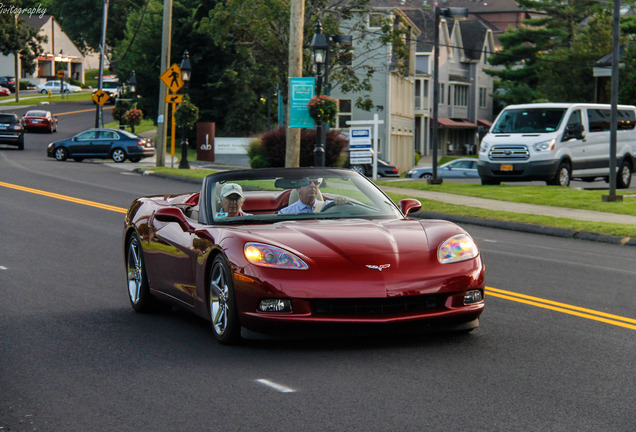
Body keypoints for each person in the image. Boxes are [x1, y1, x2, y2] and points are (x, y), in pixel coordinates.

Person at [278, 177, 345, 214]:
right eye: (307, 182)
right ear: (298, 188)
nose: (312, 185)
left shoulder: (331, 207)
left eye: (316, 182)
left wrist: (342, 204)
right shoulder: (284, 213)